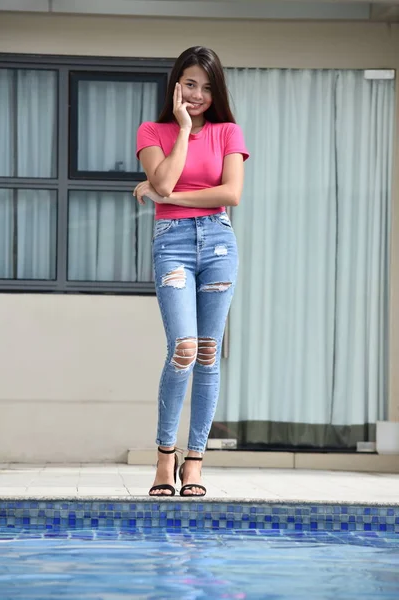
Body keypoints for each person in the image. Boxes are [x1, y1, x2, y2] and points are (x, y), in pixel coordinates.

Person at [133, 46, 249, 497]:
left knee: (206, 351)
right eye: (190, 84)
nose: (198, 94)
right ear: (175, 85)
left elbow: (232, 194)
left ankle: (195, 461)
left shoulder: (228, 132)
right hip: (173, 245)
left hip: (219, 243)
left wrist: (170, 196)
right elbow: (160, 182)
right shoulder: (153, 130)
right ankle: (166, 457)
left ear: (215, 90)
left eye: (206, 86)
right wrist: (182, 131)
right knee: (181, 346)